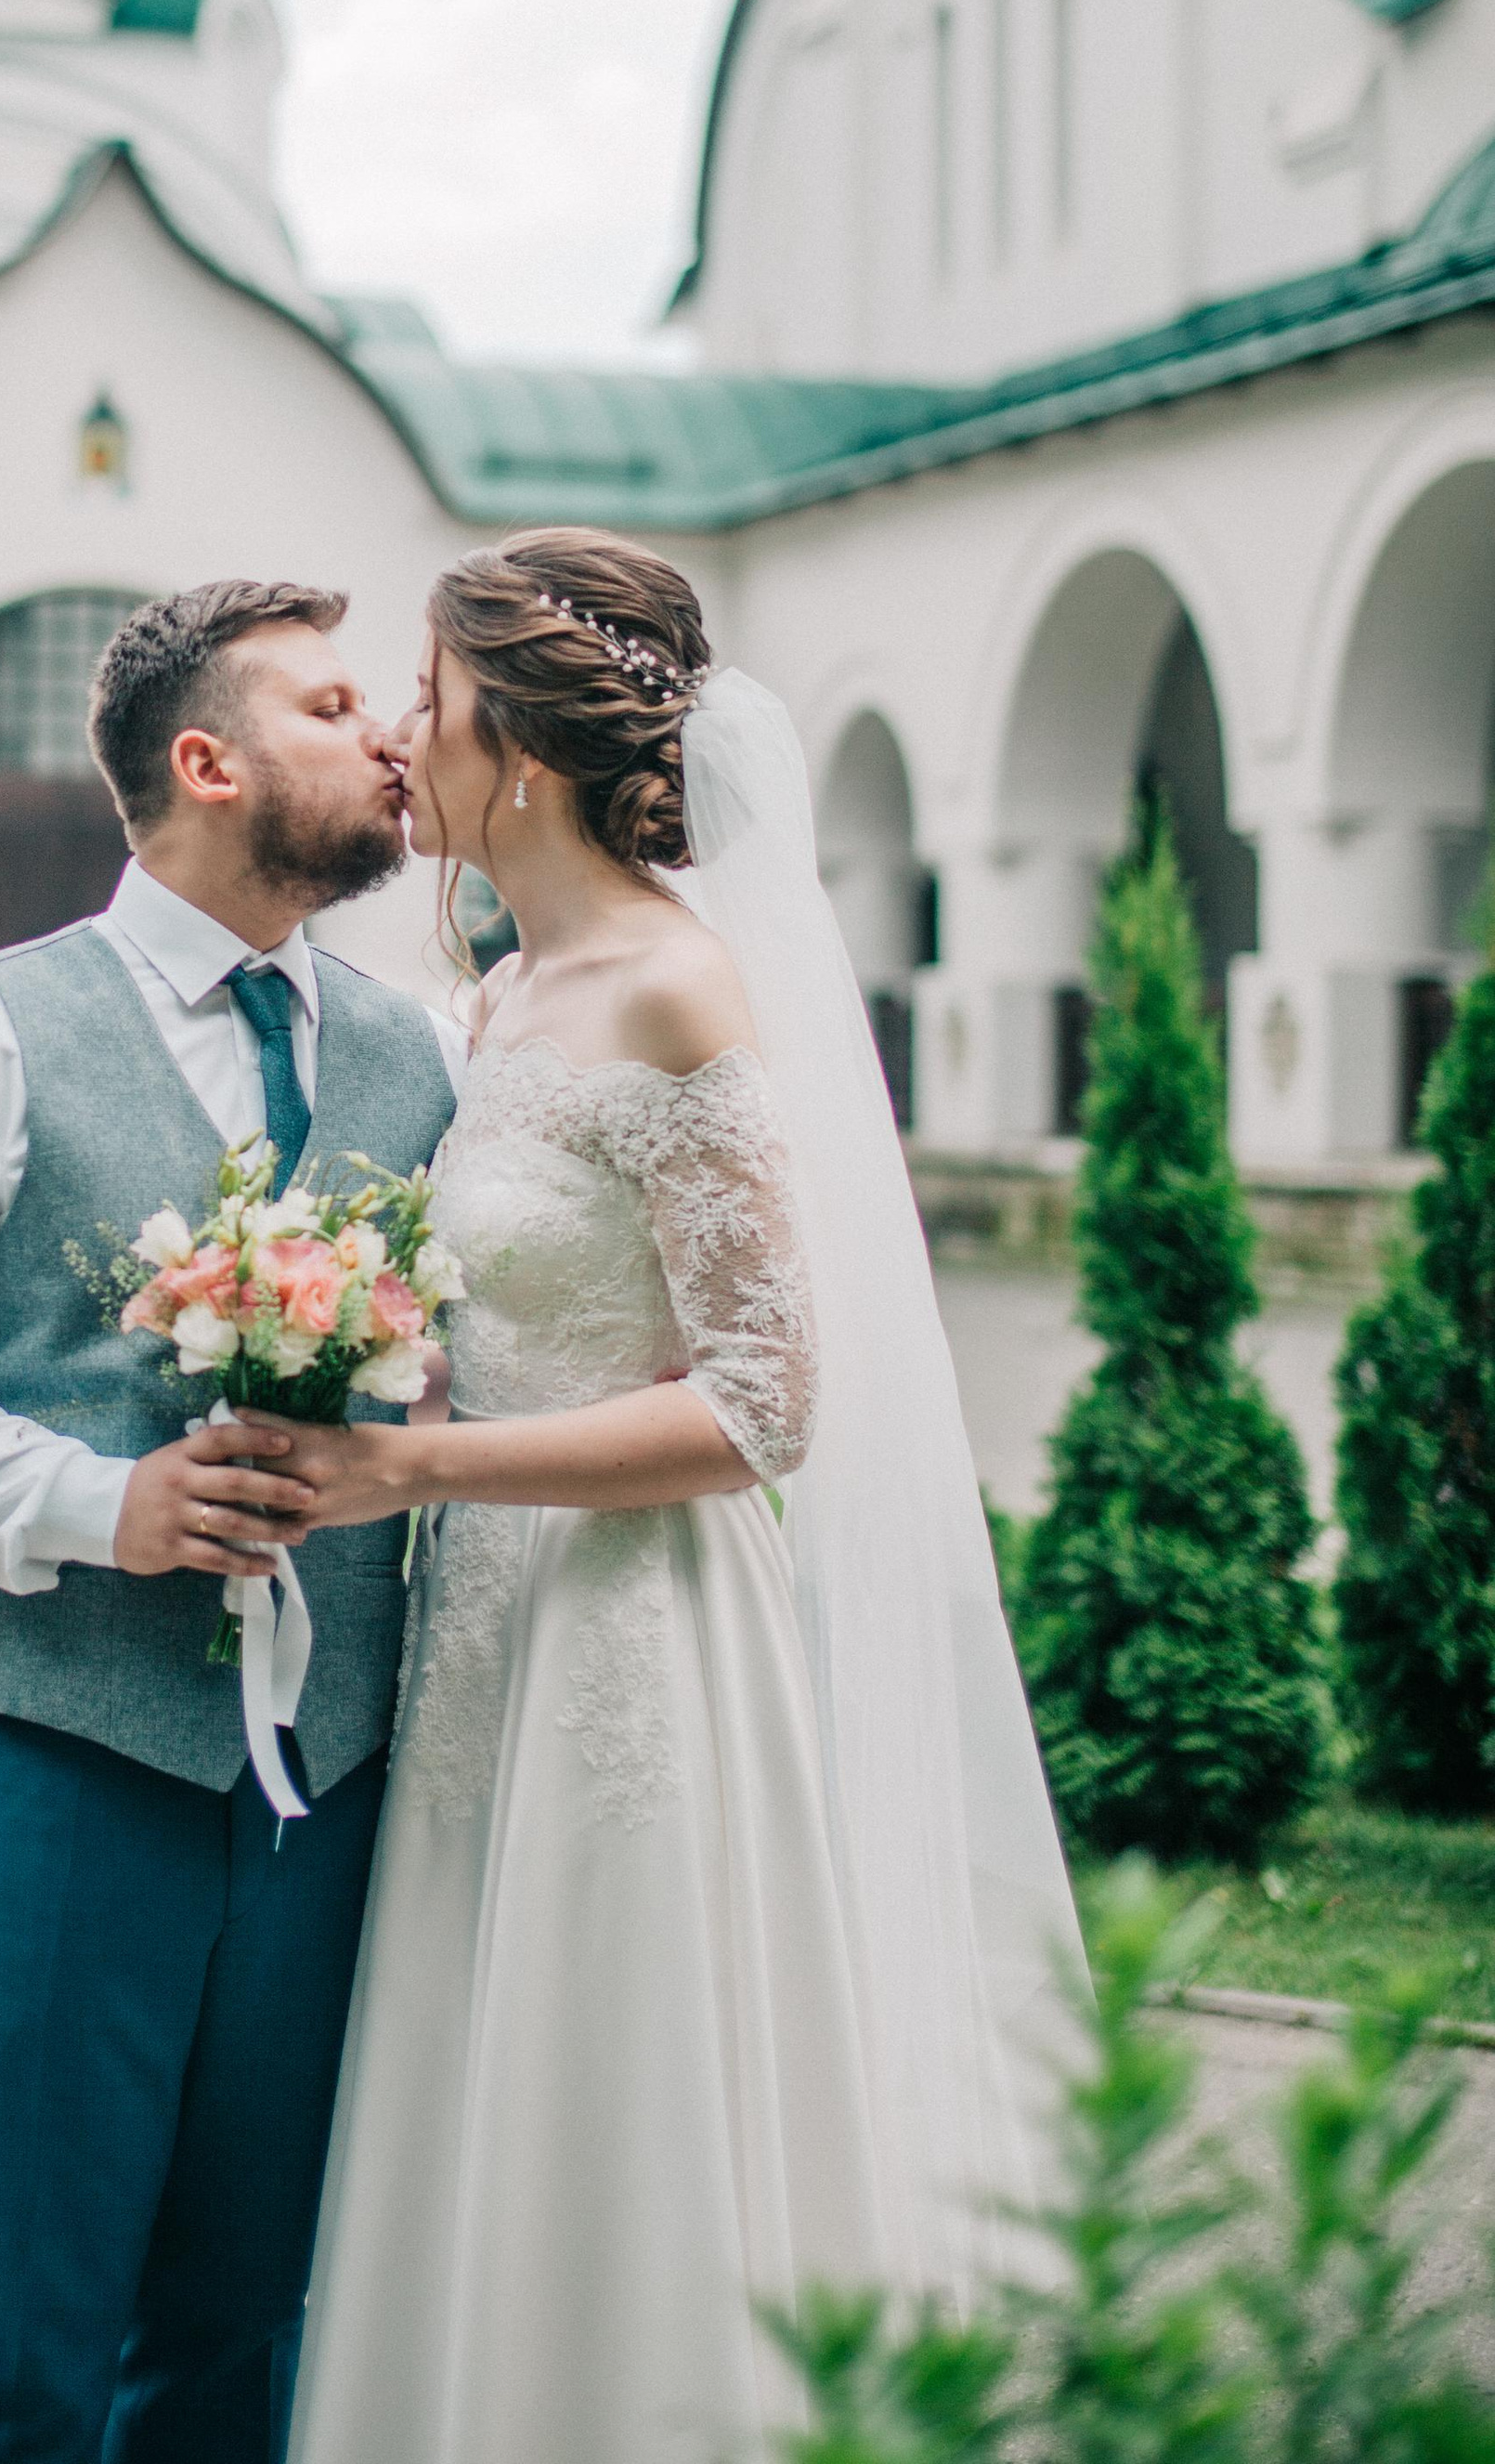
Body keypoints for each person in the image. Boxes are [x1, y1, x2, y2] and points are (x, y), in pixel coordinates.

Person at [277, 529, 1086, 2464]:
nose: (400, 728)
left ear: (520, 756)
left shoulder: (674, 988)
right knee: (483, 2086)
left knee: (626, 2081)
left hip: (633, 1634)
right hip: (481, 1641)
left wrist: (406, 1464)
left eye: (427, 693)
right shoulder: (490, 994)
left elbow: (761, 1401)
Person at [0, 579, 462, 2464]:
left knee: (237, 2344)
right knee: (17, 2355)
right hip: (52, 1773)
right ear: (206, 761)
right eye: (333, 707)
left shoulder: (419, 1061)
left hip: (329, 1802)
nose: (385, 734)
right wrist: (98, 1503)